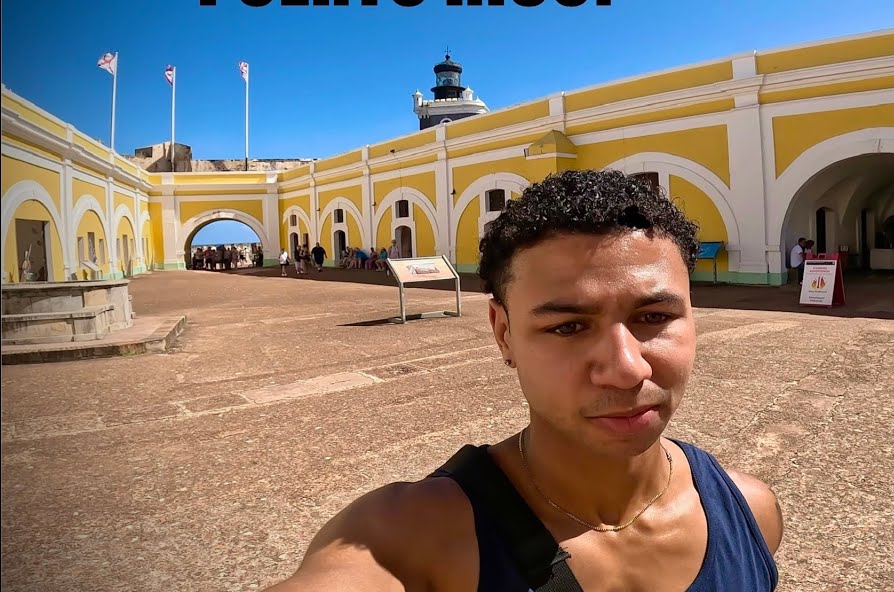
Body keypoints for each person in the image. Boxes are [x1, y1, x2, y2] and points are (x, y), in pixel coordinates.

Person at [264, 169, 783, 592]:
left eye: (654, 318)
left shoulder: (751, 514)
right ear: (504, 333)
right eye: (569, 327)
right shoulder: (413, 541)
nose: (627, 368)